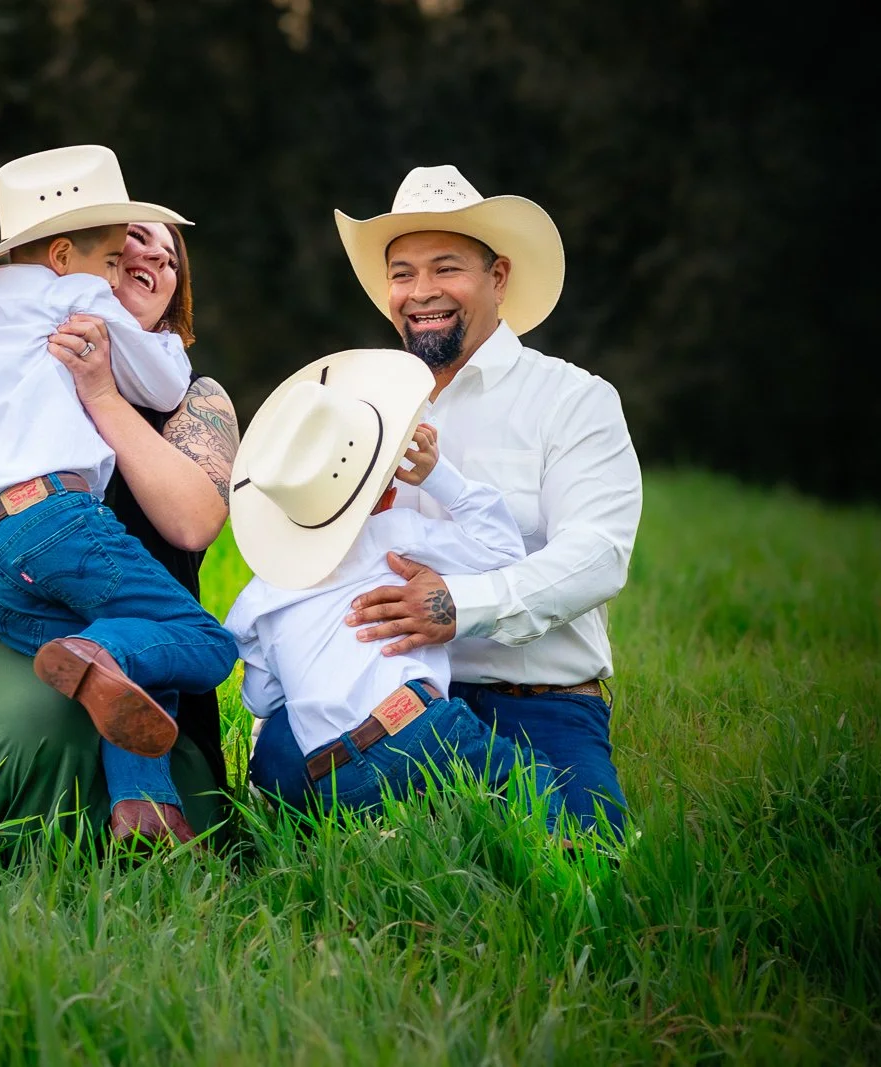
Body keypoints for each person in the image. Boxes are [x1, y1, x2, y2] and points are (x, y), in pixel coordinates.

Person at [248, 165, 643, 836]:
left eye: (446, 268)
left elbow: (598, 554)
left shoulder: (574, 400)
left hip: (535, 701)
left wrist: (458, 607)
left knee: (589, 861)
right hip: (374, 698)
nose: (421, 292)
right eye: (402, 273)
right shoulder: (350, 413)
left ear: (499, 277)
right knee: (279, 803)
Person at [0, 201, 240, 846]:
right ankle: (5, 833)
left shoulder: (193, 396)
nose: (147, 256)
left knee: (129, 667)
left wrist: (101, 389)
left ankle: (144, 811)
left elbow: (192, 523)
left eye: (168, 257)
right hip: (6, 600)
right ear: (69, 260)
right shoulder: (17, 348)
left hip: (1, 568)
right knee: (72, 704)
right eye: (128, 245)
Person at [225, 349, 559, 821]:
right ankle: (566, 860)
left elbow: (260, 700)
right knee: (525, 777)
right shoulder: (391, 535)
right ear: (384, 495)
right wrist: (441, 478)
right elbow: (503, 552)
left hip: (331, 775)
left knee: (374, 819)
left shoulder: (256, 599)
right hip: (416, 726)